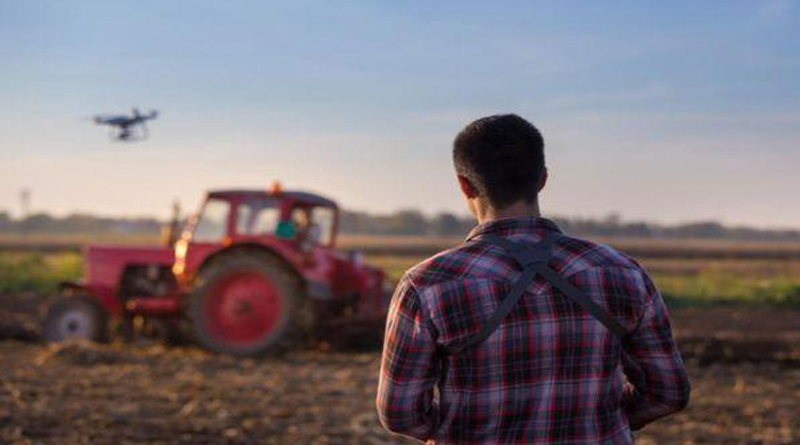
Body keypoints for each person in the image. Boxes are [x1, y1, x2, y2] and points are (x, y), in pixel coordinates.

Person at [376, 114, 690, 443]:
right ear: (542, 179)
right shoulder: (623, 273)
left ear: (464, 185)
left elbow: (400, 413)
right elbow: (668, 392)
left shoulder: (429, 283)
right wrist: (609, 420)